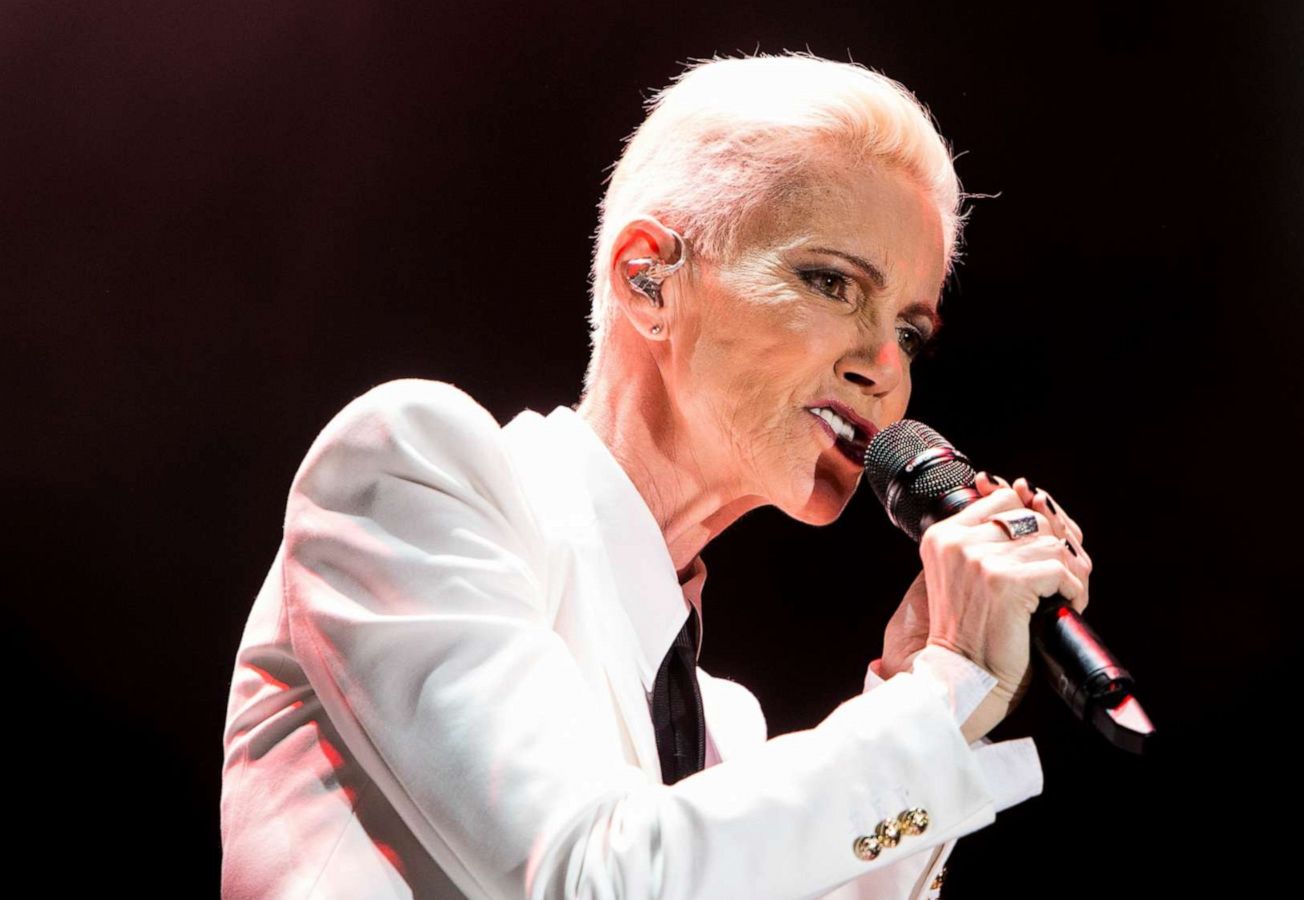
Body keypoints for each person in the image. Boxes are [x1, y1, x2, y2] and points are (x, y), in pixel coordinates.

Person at [220, 51, 1092, 899]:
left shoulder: (727, 737)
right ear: (649, 280)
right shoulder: (414, 468)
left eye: (908, 328)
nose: (883, 368)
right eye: (830, 282)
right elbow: (591, 878)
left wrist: (920, 682)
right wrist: (940, 695)